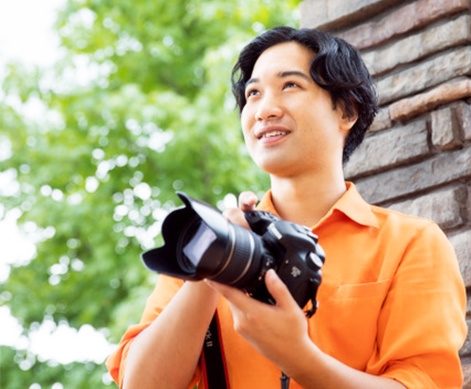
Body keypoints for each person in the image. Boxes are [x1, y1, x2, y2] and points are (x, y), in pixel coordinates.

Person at [106, 27, 467, 389]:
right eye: (253, 94)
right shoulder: (205, 243)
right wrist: (217, 264)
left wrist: (298, 357)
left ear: (347, 110)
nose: (264, 110)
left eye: (290, 86)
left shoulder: (411, 243)